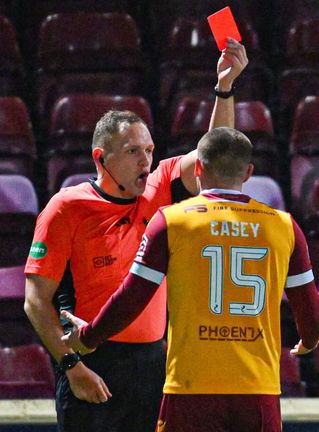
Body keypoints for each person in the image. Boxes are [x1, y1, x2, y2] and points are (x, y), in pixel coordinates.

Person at [24, 38, 248, 432]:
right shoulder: (66, 208)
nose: (145, 161)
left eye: (149, 150)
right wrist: (71, 367)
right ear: (100, 158)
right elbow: (35, 302)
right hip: (93, 362)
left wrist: (224, 87)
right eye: (132, 152)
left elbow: (216, 154)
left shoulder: (159, 185)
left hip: (152, 365)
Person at [61, 127, 319, 432]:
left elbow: (132, 297)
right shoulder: (284, 226)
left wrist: (89, 337)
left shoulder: (171, 220)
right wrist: (309, 339)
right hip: (258, 390)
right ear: (249, 172)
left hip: (190, 389)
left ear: (198, 167)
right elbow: (310, 308)